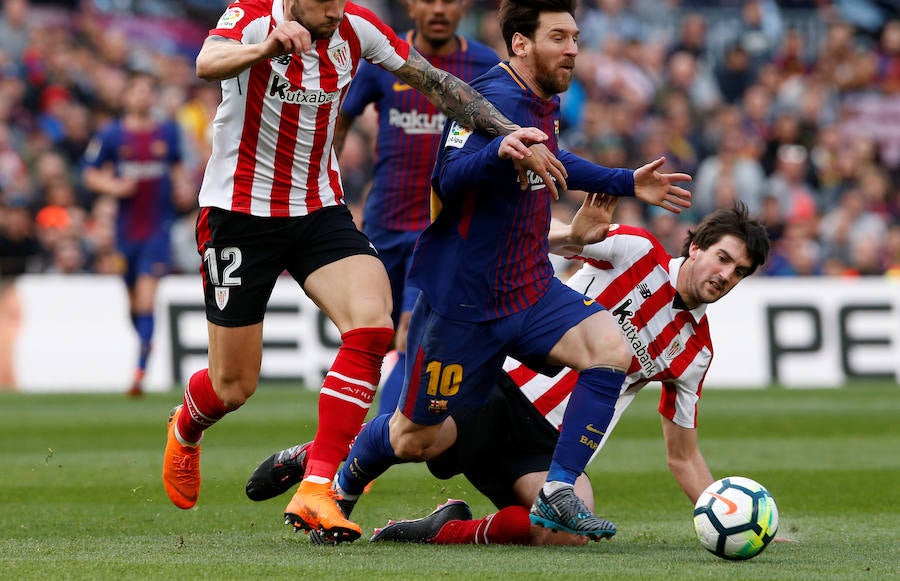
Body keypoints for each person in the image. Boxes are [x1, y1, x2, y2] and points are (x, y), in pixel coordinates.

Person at [160, 0, 569, 545]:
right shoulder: (248, 17)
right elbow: (203, 63)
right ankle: (186, 427)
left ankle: (319, 488)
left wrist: (504, 130)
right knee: (233, 385)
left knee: (374, 324)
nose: (334, 11)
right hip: (238, 214)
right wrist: (268, 45)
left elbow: (438, 84)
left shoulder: (356, 29)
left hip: (319, 211)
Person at [289, 0, 692, 544]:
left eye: (575, 37)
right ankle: (344, 478)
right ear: (522, 43)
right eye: (560, 37)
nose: (573, 49)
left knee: (612, 349)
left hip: (528, 290)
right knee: (414, 437)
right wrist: (499, 151)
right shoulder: (491, 96)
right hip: (463, 308)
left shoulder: (541, 101)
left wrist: (628, 181)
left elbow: (553, 157)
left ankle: (558, 489)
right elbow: (447, 177)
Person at [247, 198, 771, 546]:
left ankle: (438, 530)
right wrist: (572, 233)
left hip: (550, 444)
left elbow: (683, 455)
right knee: (415, 441)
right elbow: (536, 241)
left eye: (739, 272)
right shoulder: (635, 250)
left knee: (565, 534)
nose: (725, 276)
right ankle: (326, 462)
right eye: (722, 258)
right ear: (696, 246)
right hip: (505, 388)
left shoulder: (695, 351)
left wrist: (727, 514)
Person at [334, 0, 500, 416]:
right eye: (428, 0)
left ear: (461, 6)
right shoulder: (386, 59)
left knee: (412, 333)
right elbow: (341, 119)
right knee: (369, 338)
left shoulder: (484, 65)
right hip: (384, 224)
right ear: (411, 6)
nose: (438, 9)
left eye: (448, 0)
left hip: (442, 230)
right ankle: (348, 440)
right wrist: (328, 184)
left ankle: (368, 451)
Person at [82, 70, 189, 396]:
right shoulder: (111, 135)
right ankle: (144, 341)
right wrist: (114, 186)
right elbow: (89, 174)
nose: (143, 96)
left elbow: (177, 169)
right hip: (124, 232)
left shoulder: (167, 132)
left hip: (157, 231)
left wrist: (183, 187)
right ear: (127, 97)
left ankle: (140, 369)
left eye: (148, 91)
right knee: (133, 302)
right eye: (137, 91)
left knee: (146, 297)